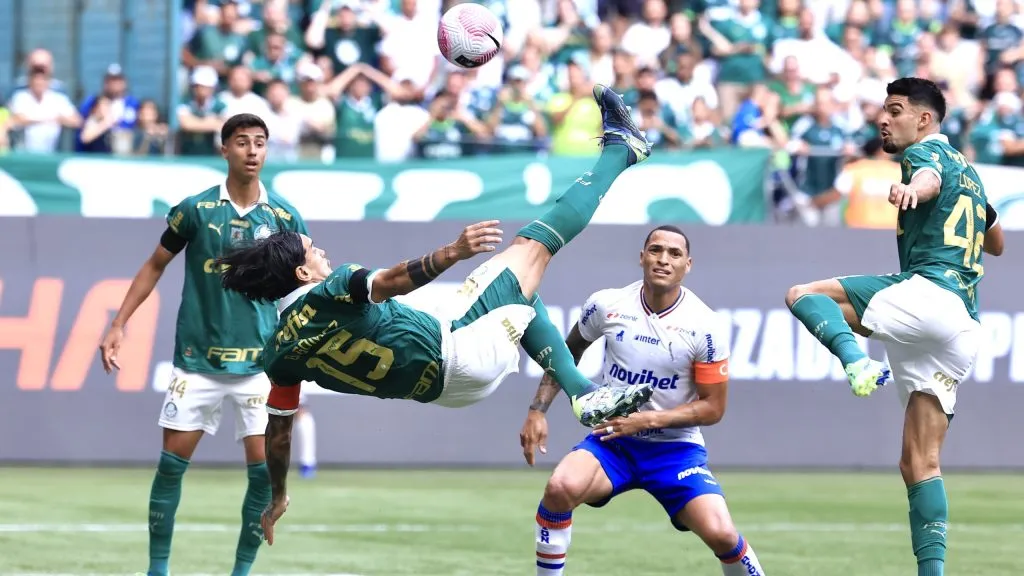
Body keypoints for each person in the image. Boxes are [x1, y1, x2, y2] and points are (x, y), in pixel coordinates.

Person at [215, 85, 656, 545]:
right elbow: (390, 281)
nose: (321, 250)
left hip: (450, 392)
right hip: (457, 349)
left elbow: (279, 435)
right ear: (302, 271)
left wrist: (278, 494)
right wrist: (453, 251)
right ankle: (623, 149)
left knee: (522, 297)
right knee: (533, 244)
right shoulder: (331, 288)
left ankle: (582, 392)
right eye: (312, 250)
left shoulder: (278, 354)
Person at [784, 77, 1005, 576]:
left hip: (930, 294)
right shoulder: (969, 172)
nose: (883, 119)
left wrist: (913, 189)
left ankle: (858, 364)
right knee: (919, 465)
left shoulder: (923, 157)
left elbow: (924, 179)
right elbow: (997, 244)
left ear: (924, 120)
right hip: (964, 325)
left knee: (803, 295)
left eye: (895, 110)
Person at [98, 113, 307, 576]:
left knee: (261, 474)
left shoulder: (286, 218)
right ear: (224, 150)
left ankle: (241, 572)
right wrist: (119, 323)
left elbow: (302, 287)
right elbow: (155, 265)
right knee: (171, 468)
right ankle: (157, 570)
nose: (252, 151)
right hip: (196, 362)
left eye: (259, 143)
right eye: (241, 142)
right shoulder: (195, 210)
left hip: (258, 366)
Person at [519, 225, 766, 576]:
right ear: (642, 257)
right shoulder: (607, 304)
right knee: (560, 487)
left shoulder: (704, 325)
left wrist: (647, 420)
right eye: (656, 250)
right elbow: (566, 351)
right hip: (613, 443)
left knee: (722, 534)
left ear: (688, 265)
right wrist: (537, 410)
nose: (663, 259)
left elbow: (713, 408)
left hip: (675, 450)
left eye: (674, 254)